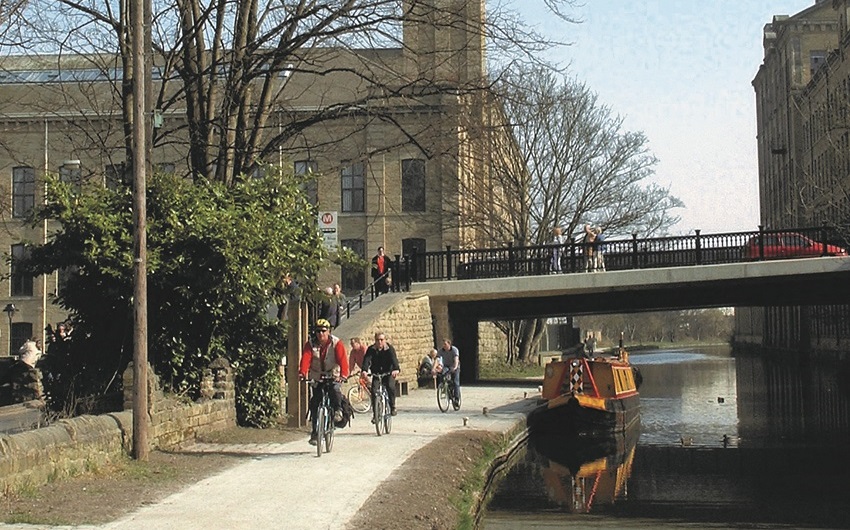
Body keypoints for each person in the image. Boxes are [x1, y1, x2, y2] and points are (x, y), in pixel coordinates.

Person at [298, 318, 349, 446]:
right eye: (318, 331)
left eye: (323, 331)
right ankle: (315, 432)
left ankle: (337, 411)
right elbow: (306, 359)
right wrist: (302, 372)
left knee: (335, 390)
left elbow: (343, 360)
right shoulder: (310, 344)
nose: (320, 334)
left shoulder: (336, 343)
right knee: (315, 402)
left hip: (333, 373)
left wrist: (343, 375)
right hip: (317, 375)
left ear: (328, 331)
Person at [361, 331, 400, 416]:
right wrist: (364, 370)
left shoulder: (389, 349)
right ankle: (376, 414)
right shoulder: (371, 349)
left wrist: (396, 369)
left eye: (381, 340)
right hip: (377, 373)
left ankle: (392, 406)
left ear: (385, 340)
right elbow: (367, 360)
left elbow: (394, 360)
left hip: (388, 373)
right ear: (375, 340)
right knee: (374, 391)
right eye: (377, 340)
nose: (380, 342)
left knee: (390, 387)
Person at [437, 339, 461, 407]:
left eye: (445, 344)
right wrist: (434, 368)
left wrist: (455, 367)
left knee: (456, 382)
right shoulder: (441, 351)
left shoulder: (454, 350)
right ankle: (444, 386)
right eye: (443, 344)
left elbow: (456, 359)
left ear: (449, 344)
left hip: (454, 366)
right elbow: (437, 359)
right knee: (443, 374)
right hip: (446, 366)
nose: (444, 346)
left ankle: (456, 399)